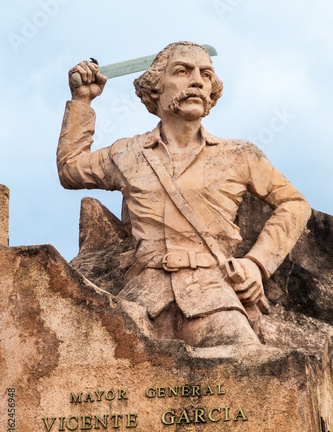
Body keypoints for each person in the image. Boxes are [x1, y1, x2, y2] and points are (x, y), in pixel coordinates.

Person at [57, 42, 311, 348]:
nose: (197, 81)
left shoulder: (240, 155)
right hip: (141, 301)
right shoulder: (125, 153)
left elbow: (294, 204)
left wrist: (256, 264)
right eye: (182, 71)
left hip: (213, 296)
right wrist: (82, 100)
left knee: (248, 365)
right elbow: (70, 170)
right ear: (156, 87)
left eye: (205, 75)